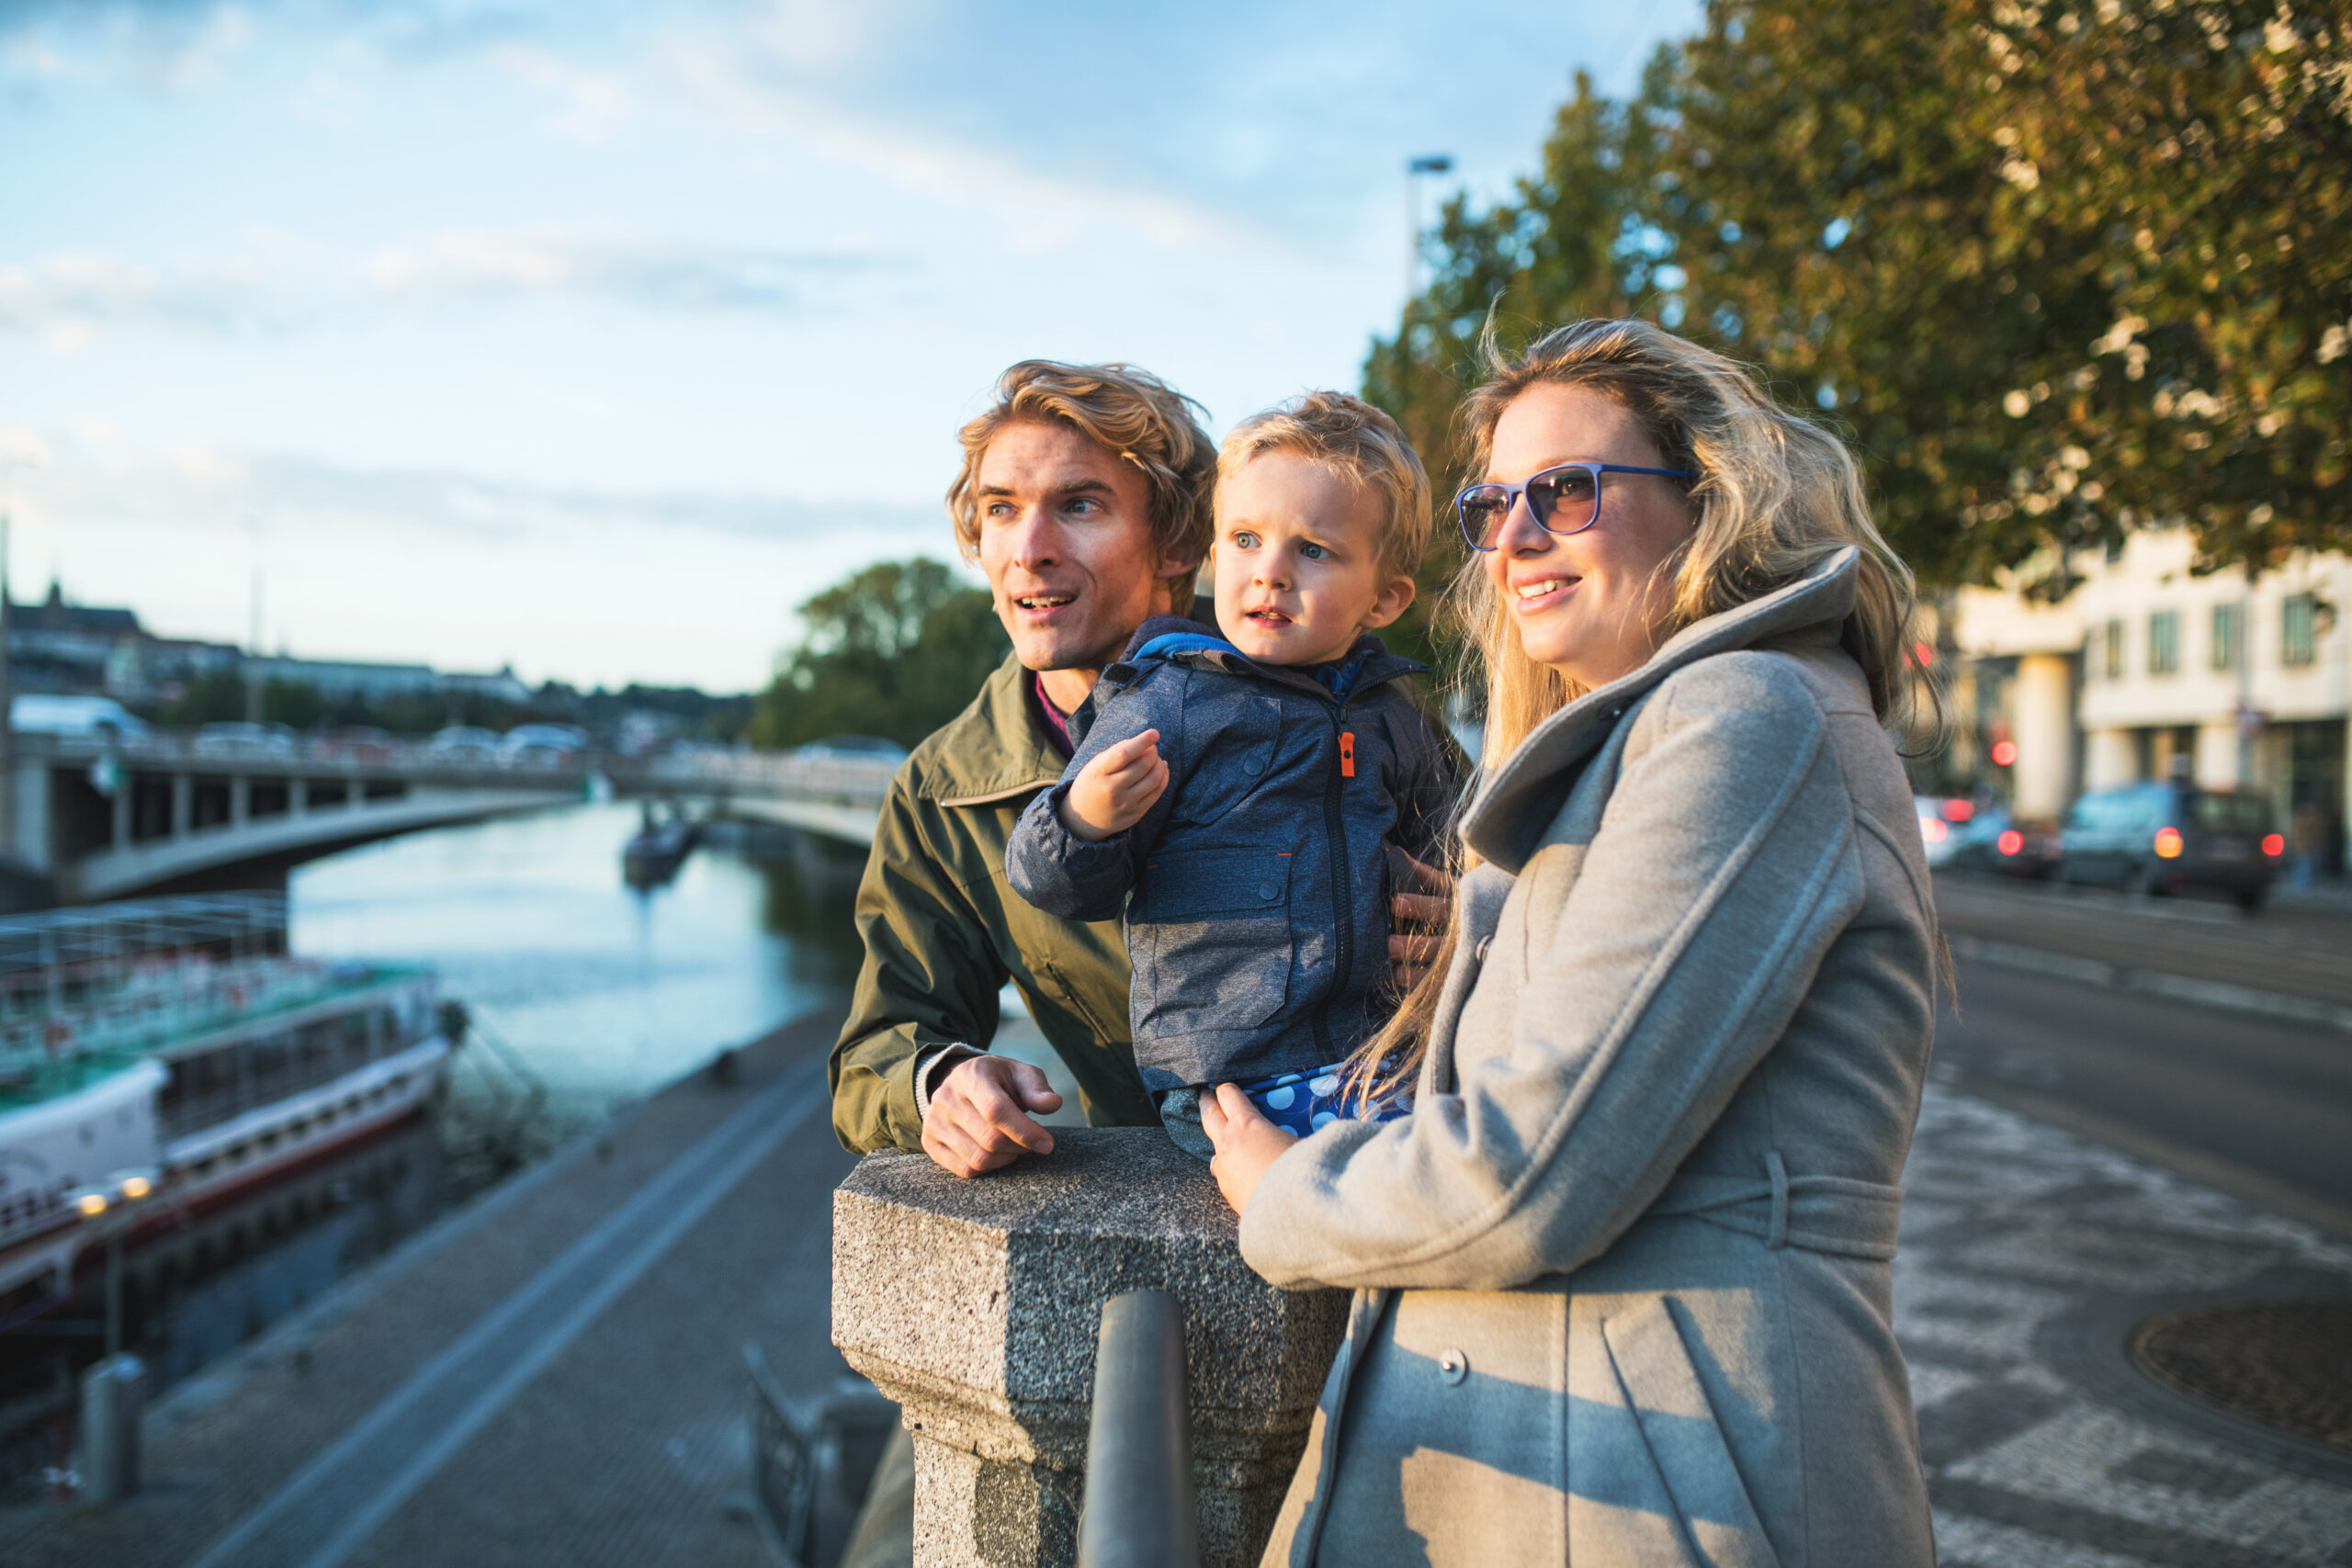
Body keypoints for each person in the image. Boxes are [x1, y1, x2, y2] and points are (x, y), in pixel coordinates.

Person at [1201, 319, 1944, 1564]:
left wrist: (1287, 1194)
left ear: (1707, 503)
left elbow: (1532, 1167)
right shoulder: (1634, 742)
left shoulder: (1748, 712)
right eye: (1495, 504)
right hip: (1580, 1463)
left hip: (1666, 1487)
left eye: (1567, 491)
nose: (1515, 538)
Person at [1004, 392, 1459, 1159]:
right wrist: (1084, 817)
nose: (1270, 574)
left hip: (1380, 1050)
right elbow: (1056, 884)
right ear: (1215, 557)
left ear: (1384, 598)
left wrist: (1471, 904)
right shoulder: (1173, 697)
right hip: (1228, 1075)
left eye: (1313, 550)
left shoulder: (1395, 716)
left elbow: (1463, 842)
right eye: (1246, 540)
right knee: (1412, 1171)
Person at [827, 359, 1218, 1173]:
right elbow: (876, 1055)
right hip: (1177, 1221)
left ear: (1179, 540)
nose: (1029, 552)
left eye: (1079, 506)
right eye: (1001, 510)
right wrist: (943, 1084)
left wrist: (1463, 934)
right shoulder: (944, 792)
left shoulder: (1329, 692)